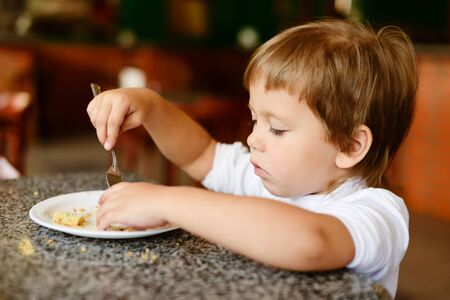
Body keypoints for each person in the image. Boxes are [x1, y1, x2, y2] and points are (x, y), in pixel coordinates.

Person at [87, 19, 417, 297]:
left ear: (349, 145)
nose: (253, 138)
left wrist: (168, 202)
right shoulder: (268, 178)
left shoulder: (378, 214)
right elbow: (202, 154)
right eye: (255, 119)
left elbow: (310, 241)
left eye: (277, 129)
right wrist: (150, 106)